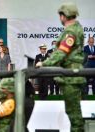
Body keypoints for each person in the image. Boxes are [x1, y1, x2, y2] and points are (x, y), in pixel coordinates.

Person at [36, 2, 85, 131]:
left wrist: (44, 63)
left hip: (71, 76)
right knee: (74, 112)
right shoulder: (76, 28)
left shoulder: (71, 31)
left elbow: (62, 52)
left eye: (60, 15)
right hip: (71, 74)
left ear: (64, 15)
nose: (60, 18)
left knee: (74, 113)